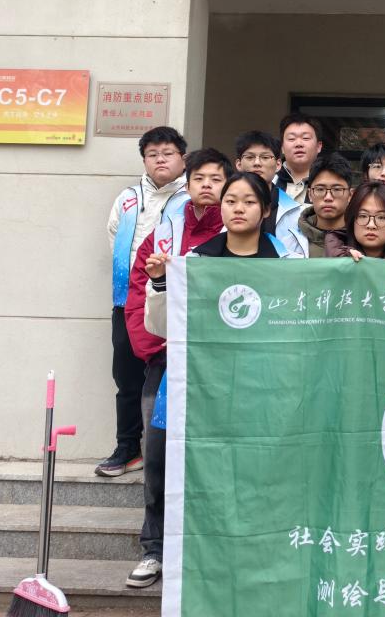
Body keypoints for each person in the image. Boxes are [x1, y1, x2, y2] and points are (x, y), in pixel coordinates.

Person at [132, 171, 292, 590]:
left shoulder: (289, 267)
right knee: (162, 464)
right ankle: (155, 551)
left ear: (266, 210)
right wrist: (161, 282)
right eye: (231, 200)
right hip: (197, 385)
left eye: (249, 201)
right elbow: (161, 326)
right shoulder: (194, 263)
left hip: (259, 389)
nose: (239, 208)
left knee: (249, 474)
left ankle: (244, 554)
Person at [121, 148, 231, 588]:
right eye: (200, 178)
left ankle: (208, 550)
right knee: (158, 456)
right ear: (188, 183)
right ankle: (154, 550)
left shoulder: (237, 234)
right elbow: (137, 293)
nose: (207, 185)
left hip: (222, 366)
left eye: (216, 179)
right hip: (167, 361)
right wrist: (154, 346)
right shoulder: (163, 232)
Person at [99, 126, 189, 478]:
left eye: (167, 153)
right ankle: (127, 447)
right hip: (127, 300)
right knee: (126, 376)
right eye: (152, 154)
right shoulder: (127, 198)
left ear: (183, 158)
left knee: (166, 376)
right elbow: (114, 236)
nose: (160, 159)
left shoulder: (191, 196)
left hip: (170, 301)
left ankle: (167, 452)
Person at [276, 153, 354, 258]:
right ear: (310, 194)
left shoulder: (363, 239)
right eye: (320, 189)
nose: (328, 197)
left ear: (350, 195)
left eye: (337, 189)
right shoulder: (289, 243)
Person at [234, 129, 297, 235]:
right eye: (250, 157)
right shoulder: (226, 204)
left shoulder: (293, 210)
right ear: (239, 164)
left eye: (265, 157)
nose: (257, 163)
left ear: (278, 165)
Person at [274, 114, 323, 203]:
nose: (298, 144)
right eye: (291, 139)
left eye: (305, 138)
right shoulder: (270, 181)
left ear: (318, 146)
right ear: (282, 148)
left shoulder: (330, 183)